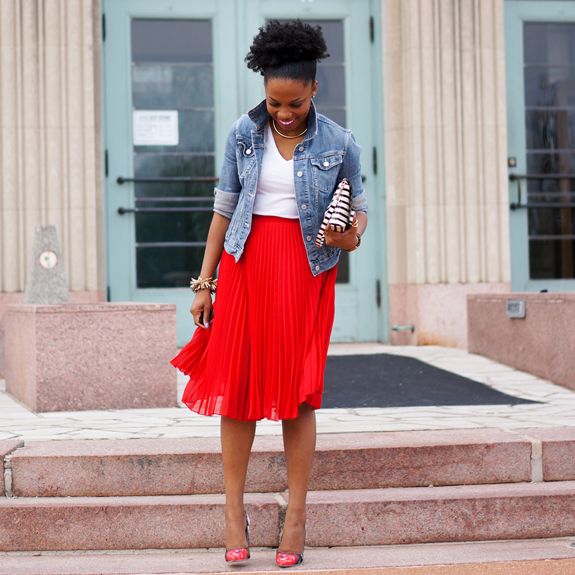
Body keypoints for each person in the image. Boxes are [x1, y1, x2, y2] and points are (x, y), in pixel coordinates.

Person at [170, 19, 368, 568]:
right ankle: (234, 515)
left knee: (298, 392)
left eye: (295, 103)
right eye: (275, 102)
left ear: (314, 90)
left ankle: (296, 518)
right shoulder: (242, 133)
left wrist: (347, 235)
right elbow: (224, 206)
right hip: (245, 265)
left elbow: (358, 217)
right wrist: (205, 282)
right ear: (263, 89)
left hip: (305, 272)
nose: (284, 112)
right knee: (237, 388)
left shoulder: (340, 141)